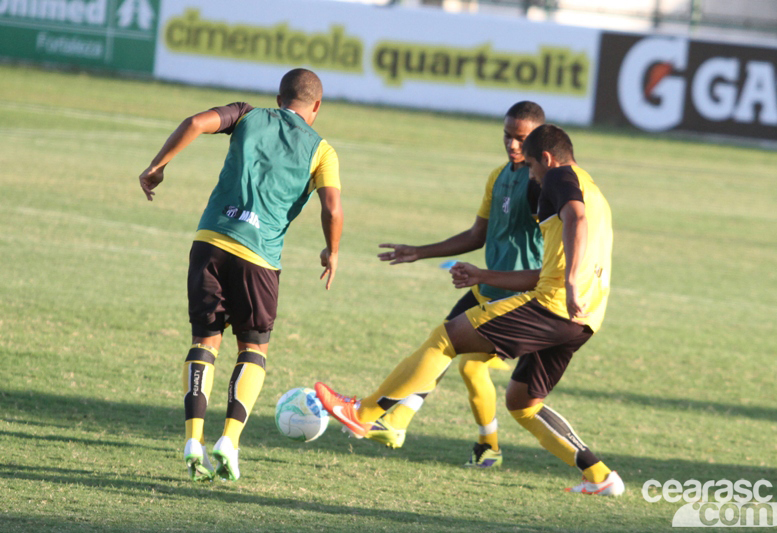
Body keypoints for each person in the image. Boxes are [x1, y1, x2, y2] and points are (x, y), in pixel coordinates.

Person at [316, 124, 624, 496]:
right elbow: (549, 269)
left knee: (447, 338)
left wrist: (572, 282)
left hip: (554, 306)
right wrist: (483, 274)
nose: (531, 176)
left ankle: (362, 414)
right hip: (584, 318)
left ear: (546, 159)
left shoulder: (560, 177)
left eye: (531, 167)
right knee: (523, 403)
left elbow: (575, 219)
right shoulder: (594, 191)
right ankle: (600, 475)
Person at [138, 68, 343, 482]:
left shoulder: (247, 114)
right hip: (260, 257)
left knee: (204, 341)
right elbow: (333, 208)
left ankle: (193, 439)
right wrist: (332, 250)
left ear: (279, 96)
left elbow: (196, 122)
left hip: (211, 240)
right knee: (253, 350)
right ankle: (229, 440)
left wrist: (158, 165)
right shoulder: (323, 151)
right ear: (316, 106)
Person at [371, 102, 545, 469]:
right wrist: (418, 251)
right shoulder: (499, 176)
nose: (513, 145)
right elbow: (476, 235)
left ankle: (489, 446)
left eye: (522, 138)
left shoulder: (541, 187)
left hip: (520, 299)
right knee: (437, 353)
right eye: (507, 135)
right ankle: (398, 424)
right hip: (487, 289)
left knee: (467, 366)